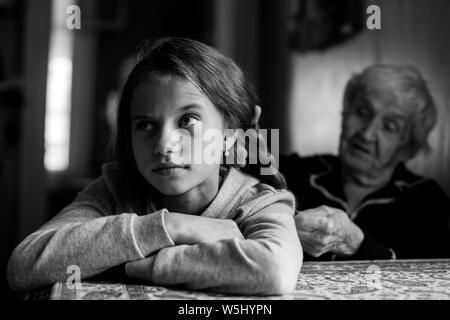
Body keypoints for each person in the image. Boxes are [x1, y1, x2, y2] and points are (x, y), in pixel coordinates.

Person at [7, 38, 302, 295]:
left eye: (188, 120)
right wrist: (172, 226)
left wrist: (129, 265)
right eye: (145, 124)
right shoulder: (115, 190)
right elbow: (24, 265)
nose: (164, 145)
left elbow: (273, 269)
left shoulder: (259, 202)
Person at [280, 64, 450, 261]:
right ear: (345, 114)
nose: (367, 133)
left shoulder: (426, 200)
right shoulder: (293, 172)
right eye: (362, 112)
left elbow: (431, 279)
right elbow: (246, 158)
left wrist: (357, 245)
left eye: (389, 127)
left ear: (407, 147)